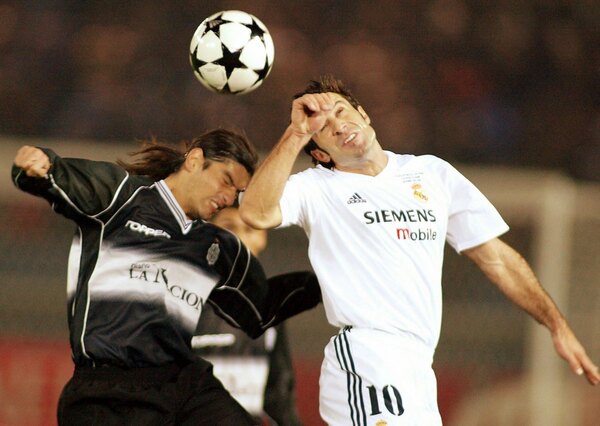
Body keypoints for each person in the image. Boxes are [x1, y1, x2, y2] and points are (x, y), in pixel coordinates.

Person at [238, 75, 600, 425]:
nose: (337, 124)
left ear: (364, 115)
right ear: (320, 152)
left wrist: (556, 325)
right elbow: (255, 211)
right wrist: (297, 131)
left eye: (341, 110)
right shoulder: (317, 187)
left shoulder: (430, 174)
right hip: (368, 357)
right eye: (322, 125)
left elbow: (496, 258)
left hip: (418, 366)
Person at [11, 129, 319, 426]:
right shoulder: (122, 196)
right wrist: (34, 164)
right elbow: (48, 175)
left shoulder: (219, 246)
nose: (228, 198)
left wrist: (329, 278)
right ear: (195, 160)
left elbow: (262, 309)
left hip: (183, 387)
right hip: (106, 391)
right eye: (226, 181)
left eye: (237, 193)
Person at [194, 207, 303, 425]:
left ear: (263, 238)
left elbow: (278, 396)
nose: (239, 238)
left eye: (250, 229)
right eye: (228, 227)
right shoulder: (178, 298)